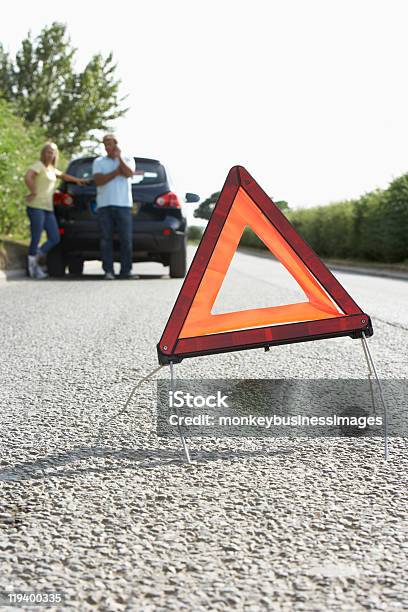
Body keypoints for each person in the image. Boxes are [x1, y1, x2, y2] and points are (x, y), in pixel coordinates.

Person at [24, 142, 85, 279]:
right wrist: (33, 191)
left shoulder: (51, 169)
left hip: (48, 208)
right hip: (36, 206)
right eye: (48, 151)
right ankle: (32, 267)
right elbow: (28, 177)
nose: (50, 154)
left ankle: (36, 255)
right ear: (43, 153)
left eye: (52, 152)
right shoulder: (38, 166)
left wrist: (78, 181)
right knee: (36, 236)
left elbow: (63, 176)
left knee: (54, 237)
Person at [92, 134, 136, 279]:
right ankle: (108, 271)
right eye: (105, 144)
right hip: (104, 205)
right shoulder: (99, 161)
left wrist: (119, 159)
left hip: (123, 205)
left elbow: (129, 173)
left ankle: (126, 271)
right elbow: (98, 180)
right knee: (106, 239)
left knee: (126, 239)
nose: (107, 146)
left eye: (110, 143)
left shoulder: (128, 159)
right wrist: (117, 172)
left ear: (116, 144)